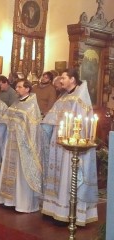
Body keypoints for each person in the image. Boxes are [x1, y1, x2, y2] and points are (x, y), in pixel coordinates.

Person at [41, 68, 98, 226]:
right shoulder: (64, 96)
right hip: (58, 143)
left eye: (64, 78)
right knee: (57, 175)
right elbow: (52, 116)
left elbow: (83, 124)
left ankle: (69, 212)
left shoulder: (80, 97)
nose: (61, 81)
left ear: (72, 79)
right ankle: (54, 209)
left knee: (68, 175)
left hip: (71, 145)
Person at [0, 79, 43, 213]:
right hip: (11, 142)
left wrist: (22, 134)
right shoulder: (16, 102)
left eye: (19, 87)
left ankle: (22, 203)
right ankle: (9, 200)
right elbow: (7, 116)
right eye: (16, 87)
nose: (17, 89)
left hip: (24, 146)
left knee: (21, 173)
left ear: (27, 89)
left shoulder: (32, 106)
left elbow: (33, 128)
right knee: (10, 170)